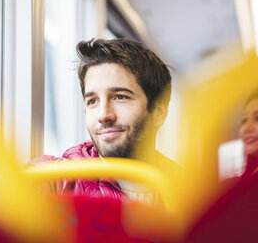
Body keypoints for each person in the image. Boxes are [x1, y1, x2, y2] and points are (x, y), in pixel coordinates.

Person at [31, 38, 177, 204]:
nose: (103, 115)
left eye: (119, 97)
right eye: (92, 101)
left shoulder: (188, 191)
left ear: (158, 112)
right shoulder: (51, 179)